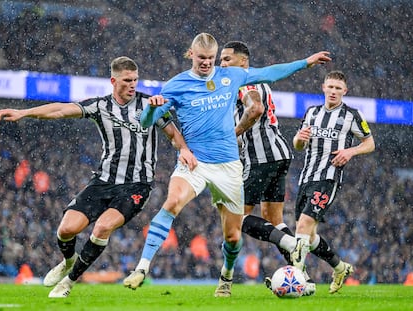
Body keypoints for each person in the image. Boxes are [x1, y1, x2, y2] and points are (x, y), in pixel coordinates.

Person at [122, 32, 331, 297]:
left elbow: (271, 73)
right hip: (195, 163)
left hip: (229, 166)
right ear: (191, 55)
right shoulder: (176, 85)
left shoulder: (231, 75)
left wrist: (306, 62)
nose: (207, 63)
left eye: (211, 58)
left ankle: (226, 277)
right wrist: (152, 108)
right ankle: (142, 268)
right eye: (202, 58)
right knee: (172, 202)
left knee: (233, 237)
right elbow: (145, 121)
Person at [0, 56, 197, 298]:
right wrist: (24, 113)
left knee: (102, 227)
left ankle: (69, 283)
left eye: (135, 80)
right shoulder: (100, 106)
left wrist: (184, 149)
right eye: (127, 80)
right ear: (113, 80)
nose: (132, 85)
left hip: (137, 184)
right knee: (66, 230)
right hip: (103, 181)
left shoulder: (150, 105)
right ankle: (69, 261)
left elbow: (172, 134)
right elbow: (61, 109)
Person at [219, 41, 316, 295]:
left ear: (243, 62)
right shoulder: (258, 82)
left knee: (236, 218)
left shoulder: (244, 83)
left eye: (227, 59)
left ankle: (290, 244)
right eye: (221, 59)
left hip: (261, 158)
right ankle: (303, 277)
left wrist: (235, 133)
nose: (222, 64)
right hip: (279, 154)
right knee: (274, 220)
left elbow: (255, 108)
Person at [290, 70, 375, 294]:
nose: (334, 91)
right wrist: (298, 139)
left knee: (302, 227)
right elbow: (299, 145)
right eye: (331, 87)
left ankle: (298, 280)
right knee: (308, 235)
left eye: (338, 88)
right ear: (323, 88)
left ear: (345, 91)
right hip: (307, 177)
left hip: (329, 177)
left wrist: (350, 152)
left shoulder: (352, 115)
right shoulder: (311, 112)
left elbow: (370, 143)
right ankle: (340, 267)